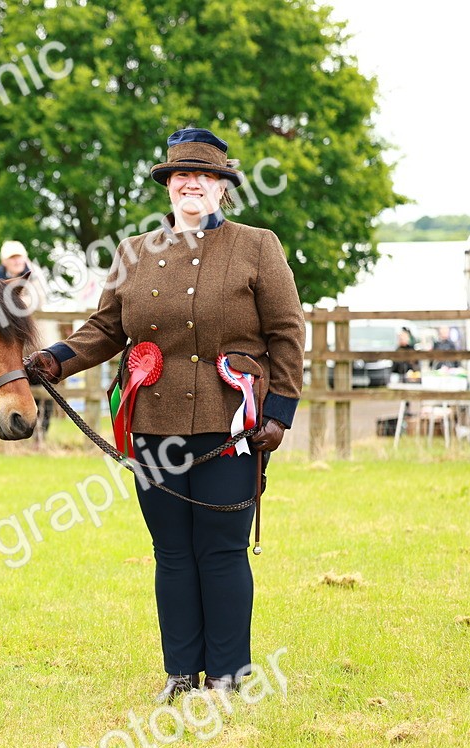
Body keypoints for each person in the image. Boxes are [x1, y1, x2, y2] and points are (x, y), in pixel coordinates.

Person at [25, 127, 306, 702]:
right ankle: (181, 672)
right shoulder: (134, 253)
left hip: (234, 428)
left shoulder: (259, 246)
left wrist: (279, 412)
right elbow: (106, 329)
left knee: (221, 549)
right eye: (181, 176)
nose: (191, 185)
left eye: (204, 177)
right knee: (172, 552)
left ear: (224, 188)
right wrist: (55, 359)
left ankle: (228, 675)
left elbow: (286, 333)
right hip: (152, 426)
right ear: (169, 187)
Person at [0, 241, 59, 438]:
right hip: (13, 345)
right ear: (4, 261)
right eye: (12, 258)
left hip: (39, 341)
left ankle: (42, 433)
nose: (17, 261)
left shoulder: (36, 276)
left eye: (19, 257)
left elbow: (37, 302)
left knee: (44, 390)